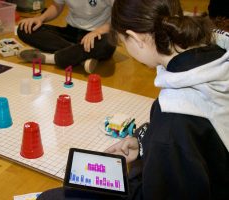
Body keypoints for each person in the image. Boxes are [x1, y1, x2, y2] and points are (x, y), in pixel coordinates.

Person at [37, 0, 229, 199]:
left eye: (122, 42)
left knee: (49, 198)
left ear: (135, 38)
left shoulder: (172, 124)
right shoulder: (214, 53)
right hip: (206, 173)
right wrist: (144, 143)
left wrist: (155, 146)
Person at [17, 0, 116, 73]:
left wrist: (98, 31)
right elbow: (57, 6)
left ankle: (52, 58)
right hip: (70, 32)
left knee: (108, 42)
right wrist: (40, 18)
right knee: (24, 29)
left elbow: (118, 18)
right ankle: (78, 55)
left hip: (97, 36)